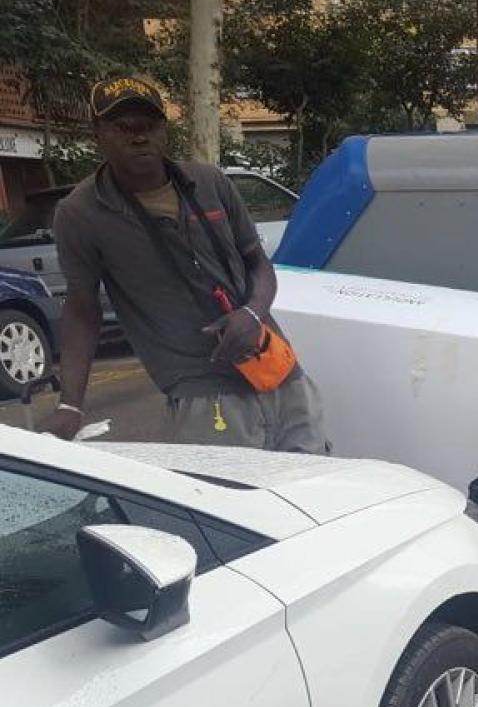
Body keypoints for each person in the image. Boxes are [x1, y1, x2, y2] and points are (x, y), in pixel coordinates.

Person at [36, 77, 329, 453]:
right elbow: (82, 309)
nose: (139, 137)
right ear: (97, 133)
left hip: (278, 370)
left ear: (164, 129)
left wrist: (253, 313)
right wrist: (70, 404)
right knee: (233, 506)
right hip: (202, 393)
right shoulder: (81, 213)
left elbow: (258, 263)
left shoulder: (209, 182)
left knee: (315, 493)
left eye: (149, 125)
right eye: (123, 127)